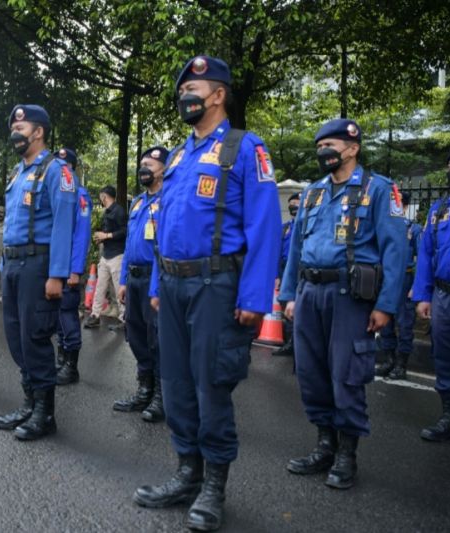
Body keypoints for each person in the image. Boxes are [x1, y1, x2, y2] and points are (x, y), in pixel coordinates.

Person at [133, 56, 280, 532]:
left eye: (193, 89)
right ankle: (186, 474)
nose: (184, 97)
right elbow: (167, 226)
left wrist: (255, 299)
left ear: (218, 94)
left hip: (217, 286)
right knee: (174, 382)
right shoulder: (177, 156)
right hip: (172, 283)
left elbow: (266, 227)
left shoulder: (244, 148)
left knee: (210, 385)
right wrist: (157, 284)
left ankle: (214, 486)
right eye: (182, 91)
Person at [280, 118, 407, 490]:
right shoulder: (313, 193)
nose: (324, 152)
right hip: (309, 294)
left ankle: (347, 454)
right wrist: (288, 295)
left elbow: (395, 252)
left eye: (331, 145)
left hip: (349, 298)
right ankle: (324, 445)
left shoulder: (379, 190)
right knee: (311, 373)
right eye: (320, 146)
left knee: (346, 374)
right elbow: (296, 248)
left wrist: (385, 306)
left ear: (352, 148)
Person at [0, 104, 78, 441]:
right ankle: (29, 403)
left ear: (38, 131)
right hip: (13, 264)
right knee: (16, 338)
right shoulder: (17, 173)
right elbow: (11, 224)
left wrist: (57, 274)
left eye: (22, 126)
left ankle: (45, 413)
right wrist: (2, 265)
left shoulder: (57, 171)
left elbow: (63, 223)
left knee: (36, 338)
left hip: (38, 264)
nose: (16, 132)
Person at [113, 146, 168, 421]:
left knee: (156, 337)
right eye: (142, 163)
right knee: (134, 334)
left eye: (150, 164)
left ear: (164, 169)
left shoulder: (169, 200)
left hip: (155, 277)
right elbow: (128, 243)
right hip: (133, 277)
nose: (144, 168)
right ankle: (144, 389)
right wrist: (122, 280)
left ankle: (161, 396)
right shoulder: (137, 203)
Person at [413, 154, 450, 441]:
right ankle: (448, 414)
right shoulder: (438, 211)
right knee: (444, 356)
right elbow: (425, 255)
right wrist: (423, 295)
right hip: (443, 295)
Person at [54, 148, 91, 386]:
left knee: (67, 314)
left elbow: (82, 234)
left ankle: (71, 365)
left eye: (66, 165)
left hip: (69, 267)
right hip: (55, 265)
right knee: (57, 314)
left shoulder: (80, 194)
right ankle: (61, 357)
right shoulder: (56, 192)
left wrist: (76, 269)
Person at [375, 191, 421, 380]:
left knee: (404, 324)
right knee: (385, 322)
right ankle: (388, 360)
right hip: (385, 279)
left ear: (405, 206)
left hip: (405, 280)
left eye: (398, 202)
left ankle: (401, 364)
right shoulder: (383, 227)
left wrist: (416, 287)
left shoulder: (414, 229)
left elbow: (422, 260)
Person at [84, 185, 126, 328]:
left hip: (117, 255)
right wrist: (102, 238)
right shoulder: (107, 212)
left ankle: (124, 318)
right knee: (100, 286)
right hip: (106, 254)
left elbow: (124, 231)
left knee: (119, 287)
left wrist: (106, 235)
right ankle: (95, 314)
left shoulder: (119, 211)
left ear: (105, 196)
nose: (100, 199)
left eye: (101, 196)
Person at [272, 192, 301, 357]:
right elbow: (276, 252)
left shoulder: (303, 226)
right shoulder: (285, 228)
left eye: (297, 202)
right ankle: (290, 342)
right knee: (286, 306)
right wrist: (276, 275)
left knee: (299, 307)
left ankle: (299, 344)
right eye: (291, 203)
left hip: (300, 269)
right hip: (284, 270)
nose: (294, 205)